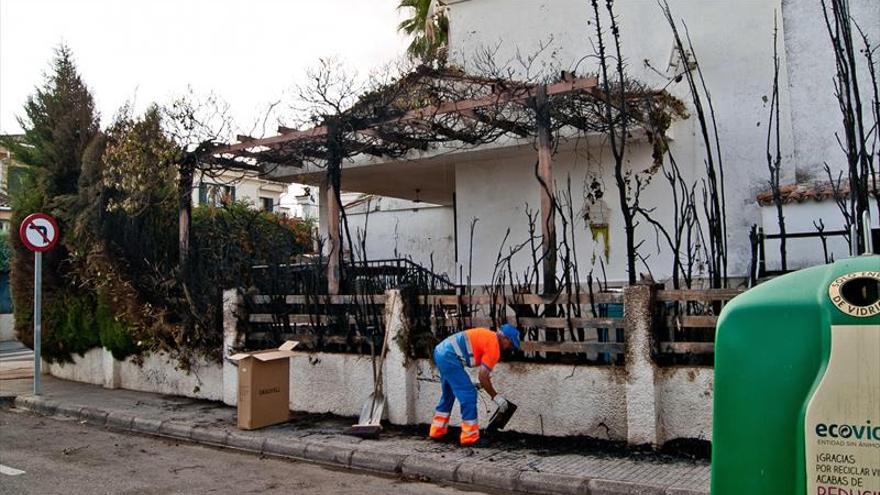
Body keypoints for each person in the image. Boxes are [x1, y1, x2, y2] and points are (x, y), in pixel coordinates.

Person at [428, 324, 520, 446]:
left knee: (449, 394)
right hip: (449, 357)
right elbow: (483, 377)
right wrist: (496, 397)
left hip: (441, 352)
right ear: (505, 338)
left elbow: (482, 376)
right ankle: (470, 437)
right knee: (469, 394)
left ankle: (437, 431)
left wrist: (478, 382)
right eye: (511, 344)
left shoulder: (489, 336)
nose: (509, 347)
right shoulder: (494, 347)